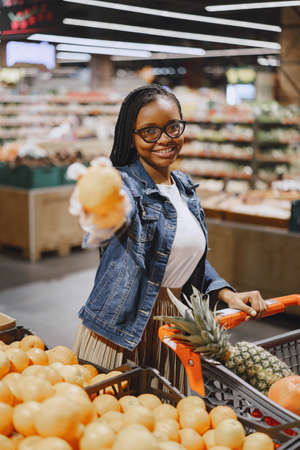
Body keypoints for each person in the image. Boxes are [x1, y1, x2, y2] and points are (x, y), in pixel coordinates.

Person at [72, 84, 267, 393]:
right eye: (149, 131)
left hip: (172, 325)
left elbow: (186, 255)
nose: (164, 139)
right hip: (121, 328)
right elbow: (109, 220)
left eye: (172, 127)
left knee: (163, 425)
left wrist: (227, 294)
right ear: (131, 137)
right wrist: (101, 203)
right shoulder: (125, 186)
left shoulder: (184, 187)